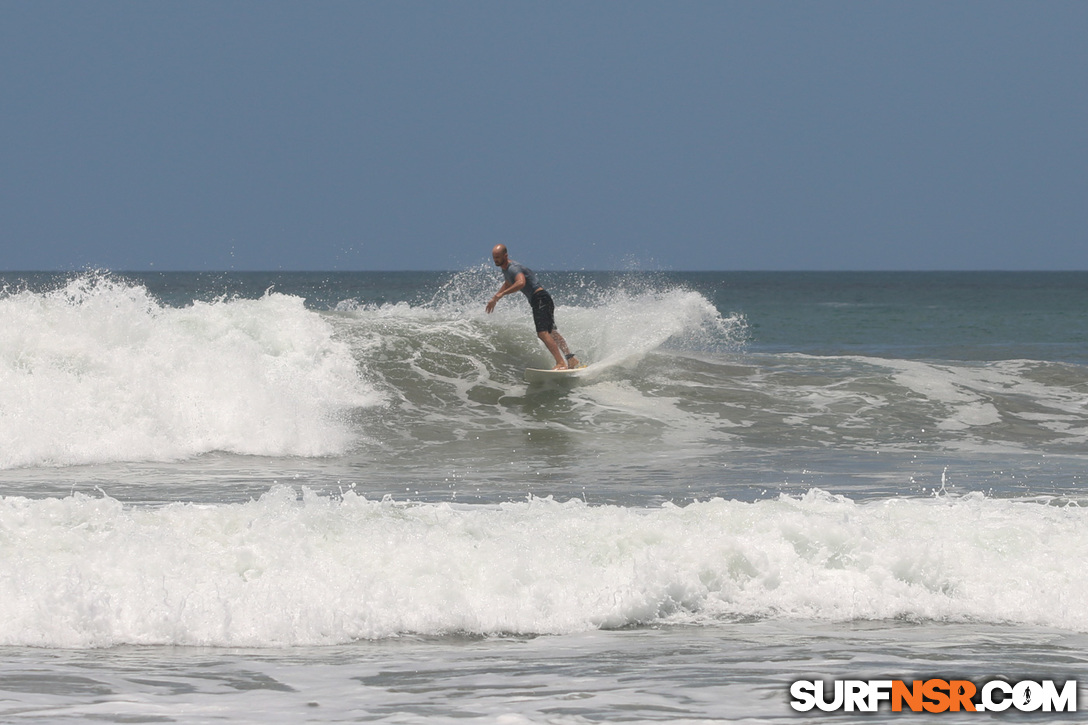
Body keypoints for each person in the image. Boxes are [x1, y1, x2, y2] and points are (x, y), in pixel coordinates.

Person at [485, 244, 581, 370]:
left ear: (505, 255)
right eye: (494, 257)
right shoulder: (506, 270)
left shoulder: (513, 268)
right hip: (544, 298)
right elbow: (508, 282)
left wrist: (501, 294)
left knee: (542, 333)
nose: (495, 260)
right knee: (551, 332)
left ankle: (560, 363)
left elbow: (521, 282)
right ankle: (571, 359)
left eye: (497, 257)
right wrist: (496, 297)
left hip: (539, 298)